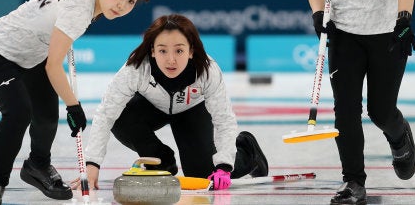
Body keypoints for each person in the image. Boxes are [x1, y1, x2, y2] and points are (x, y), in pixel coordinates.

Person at [0, 0, 151, 205]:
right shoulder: (79, 9)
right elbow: (53, 66)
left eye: (131, 1)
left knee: (45, 116)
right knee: (18, 113)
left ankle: (37, 166)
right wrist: (73, 106)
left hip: (32, 55)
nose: (122, 5)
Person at [304, 0, 415, 204]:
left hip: (386, 36)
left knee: (380, 111)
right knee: (346, 113)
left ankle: (399, 134)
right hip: (343, 36)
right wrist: (317, 14)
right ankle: (354, 182)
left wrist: (404, 18)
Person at [70, 14, 268, 191]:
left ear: (191, 51)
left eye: (179, 51)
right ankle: (162, 161)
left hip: (192, 110)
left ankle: (248, 150)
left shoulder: (208, 70)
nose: (170, 60)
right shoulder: (137, 67)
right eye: (163, 51)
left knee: (201, 174)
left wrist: (224, 166)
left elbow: (224, 119)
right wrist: (92, 164)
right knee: (118, 116)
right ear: (153, 51)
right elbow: (106, 114)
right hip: (151, 107)